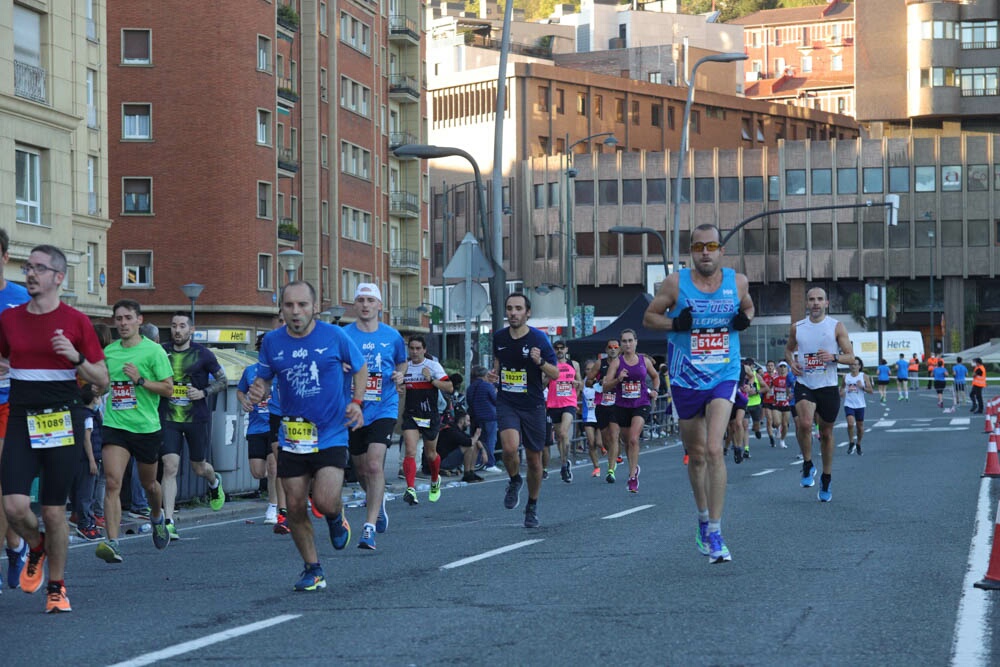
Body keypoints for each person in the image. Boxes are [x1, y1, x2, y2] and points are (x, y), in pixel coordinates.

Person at [0, 244, 108, 612]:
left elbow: (103, 379)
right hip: (20, 417)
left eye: (40, 268)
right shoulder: (10, 319)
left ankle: (57, 588)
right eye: (28, 267)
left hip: (62, 418)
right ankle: (36, 546)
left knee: (53, 511)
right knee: (14, 506)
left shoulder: (77, 322)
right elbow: (3, 358)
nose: (30, 273)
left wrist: (76, 358)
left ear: (58, 277)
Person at [245, 280, 367, 591]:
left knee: (324, 501)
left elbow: (360, 367)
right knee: (296, 506)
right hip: (293, 436)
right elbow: (264, 380)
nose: (295, 311)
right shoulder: (272, 342)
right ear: (281, 309)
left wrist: (356, 402)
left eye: (302, 305)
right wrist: (257, 390)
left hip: (330, 431)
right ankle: (313, 569)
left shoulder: (334, 335)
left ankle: (336, 515)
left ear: (314, 307)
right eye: (289, 305)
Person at [643, 224, 754, 563]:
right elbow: (649, 318)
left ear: (722, 250)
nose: (706, 252)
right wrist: (676, 324)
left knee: (714, 447)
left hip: (724, 371)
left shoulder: (738, 282)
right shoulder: (676, 283)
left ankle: (718, 532)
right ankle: (703, 519)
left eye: (712, 245)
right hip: (686, 376)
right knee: (697, 453)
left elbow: (749, 308)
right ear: (691, 251)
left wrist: (742, 321)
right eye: (699, 246)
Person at [96, 299, 174, 564]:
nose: (123, 323)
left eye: (128, 318)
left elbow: (168, 389)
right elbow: (104, 385)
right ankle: (113, 542)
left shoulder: (154, 352)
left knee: (149, 484)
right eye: (118, 319)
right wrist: (97, 388)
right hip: (116, 425)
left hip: (145, 428)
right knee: (112, 481)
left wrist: (140, 380)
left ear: (139, 320)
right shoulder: (110, 352)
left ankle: (157, 517)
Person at [343, 283, 406, 550]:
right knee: (359, 469)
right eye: (361, 300)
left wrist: (400, 374)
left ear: (380, 305)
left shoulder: (392, 336)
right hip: (354, 408)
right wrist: (341, 367)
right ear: (355, 305)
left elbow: (401, 361)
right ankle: (376, 503)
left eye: (370, 300)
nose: (366, 305)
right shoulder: (343, 335)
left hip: (384, 405)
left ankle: (368, 527)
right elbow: (332, 363)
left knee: (373, 464)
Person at [489, 293, 558, 528]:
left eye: (518, 308)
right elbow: (498, 364)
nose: (513, 313)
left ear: (528, 313)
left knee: (534, 460)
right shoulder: (499, 336)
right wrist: (493, 375)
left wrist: (539, 362)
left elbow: (555, 373)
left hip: (533, 405)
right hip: (507, 401)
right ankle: (514, 479)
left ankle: (532, 505)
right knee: (508, 448)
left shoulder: (539, 339)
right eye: (509, 308)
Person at [159, 312, 227, 539]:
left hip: (196, 418)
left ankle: (214, 481)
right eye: (173, 326)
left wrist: (203, 392)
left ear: (191, 330)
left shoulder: (203, 354)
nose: (177, 330)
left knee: (199, 467)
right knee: (170, 466)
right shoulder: (162, 351)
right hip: (168, 417)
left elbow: (223, 381)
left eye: (181, 326)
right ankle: (168, 521)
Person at [785, 286, 854, 503]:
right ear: (806, 303)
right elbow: (788, 350)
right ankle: (807, 464)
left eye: (820, 299)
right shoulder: (798, 327)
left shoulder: (836, 327)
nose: (815, 303)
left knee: (826, 434)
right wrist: (791, 362)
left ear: (826, 303)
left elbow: (851, 357)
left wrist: (833, 357)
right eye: (811, 299)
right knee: (804, 424)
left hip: (828, 386)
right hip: (805, 382)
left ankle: (826, 477)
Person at [0, 229, 31, 589]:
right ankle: (13, 542)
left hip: (11, 401)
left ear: (6, 257)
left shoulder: (21, 299)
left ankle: (14, 543)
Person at [602, 329, 658, 492]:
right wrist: (618, 379)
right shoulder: (617, 363)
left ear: (636, 342)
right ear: (621, 344)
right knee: (627, 441)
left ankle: (632, 476)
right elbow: (606, 386)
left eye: (630, 341)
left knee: (634, 438)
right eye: (624, 341)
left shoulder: (644, 361)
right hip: (622, 405)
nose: (627, 344)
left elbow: (655, 376)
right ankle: (633, 468)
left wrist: (655, 390)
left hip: (641, 403)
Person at [399, 335, 452, 506]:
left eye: (417, 349)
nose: (414, 352)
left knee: (430, 454)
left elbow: (449, 387)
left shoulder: (432, 366)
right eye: (411, 348)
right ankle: (411, 489)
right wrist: (398, 386)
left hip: (429, 415)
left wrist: (431, 379)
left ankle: (435, 479)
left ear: (424, 350)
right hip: (411, 414)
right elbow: (398, 386)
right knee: (410, 451)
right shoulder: (405, 367)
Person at [237, 333, 281, 525]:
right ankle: (282, 489)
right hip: (255, 427)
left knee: (273, 468)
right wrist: (244, 400)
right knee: (258, 472)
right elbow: (240, 390)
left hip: (274, 424)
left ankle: (273, 506)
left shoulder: (281, 369)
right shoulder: (250, 371)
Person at [546, 340, 581, 484]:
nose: (559, 350)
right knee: (560, 438)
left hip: (569, 403)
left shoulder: (574, 364)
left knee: (563, 433)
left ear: (566, 349)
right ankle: (564, 463)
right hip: (554, 404)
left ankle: (565, 464)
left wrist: (577, 386)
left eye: (562, 348)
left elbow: (581, 383)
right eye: (557, 348)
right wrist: (549, 376)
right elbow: (543, 383)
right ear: (553, 350)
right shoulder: (550, 365)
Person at [586, 338, 621, 483]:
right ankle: (612, 458)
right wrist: (598, 382)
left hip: (618, 404)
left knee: (613, 436)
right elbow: (588, 381)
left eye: (615, 347)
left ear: (619, 349)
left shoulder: (623, 363)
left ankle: (611, 469)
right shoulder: (600, 363)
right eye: (610, 347)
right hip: (602, 404)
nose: (613, 349)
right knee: (606, 440)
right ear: (606, 350)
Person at [70, 384, 102, 540]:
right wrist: (92, 461)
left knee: (82, 492)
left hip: (81, 459)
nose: (100, 399)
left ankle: (83, 520)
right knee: (86, 493)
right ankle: (85, 525)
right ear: (93, 399)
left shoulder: (82, 413)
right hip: (87, 459)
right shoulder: (88, 416)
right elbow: (86, 439)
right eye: (98, 397)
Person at [466, 365, 500, 472]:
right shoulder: (487, 386)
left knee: (478, 440)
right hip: (489, 417)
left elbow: (469, 402)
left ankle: (477, 462)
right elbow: (495, 400)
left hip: (475, 417)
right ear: (484, 375)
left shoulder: (470, 387)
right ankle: (490, 463)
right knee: (490, 440)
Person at [436, 408, 486, 480]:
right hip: (443, 462)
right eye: (468, 421)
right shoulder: (451, 430)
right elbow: (468, 442)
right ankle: (467, 474)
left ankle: (471, 472)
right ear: (462, 420)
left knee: (474, 444)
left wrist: (483, 451)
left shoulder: (458, 430)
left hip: (449, 459)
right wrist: (476, 436)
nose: (469, 424)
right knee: (469, 447)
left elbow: (473, 440)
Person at [841, 358, 873, 455]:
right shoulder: (845, 377)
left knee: (860, 427)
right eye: (851, 364)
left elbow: (871, 391)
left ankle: (858, 443)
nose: (853, 366)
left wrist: (862, 387)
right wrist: (841, 392)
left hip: (860, 405)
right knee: (850, 423)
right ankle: (851, 442)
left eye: (855, 364)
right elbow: (842, 388)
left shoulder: (864, 376)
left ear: (859, 366)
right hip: (849, 404)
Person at [580, 360, 601, 477]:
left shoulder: (601, 381)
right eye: (587, 369)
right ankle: (596, 467)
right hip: (588, 416)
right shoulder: (583, 383)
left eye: (592, 369)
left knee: (599, 442)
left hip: (600, 415)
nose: (590, 371)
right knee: (591, 442)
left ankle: (604, 448)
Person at [771, 361, 792, 448]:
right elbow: (770, 388)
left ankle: (782, 440)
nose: (783, 369)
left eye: (784, 367)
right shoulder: (774, 378)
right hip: (777, 403)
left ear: (787, 369)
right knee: (777, 422)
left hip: (787, 403)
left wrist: (791, 394)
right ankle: (777, 428)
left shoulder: (790, 378)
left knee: (785, 424)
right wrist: (770, 394)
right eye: (781, 367)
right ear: (778, 369)